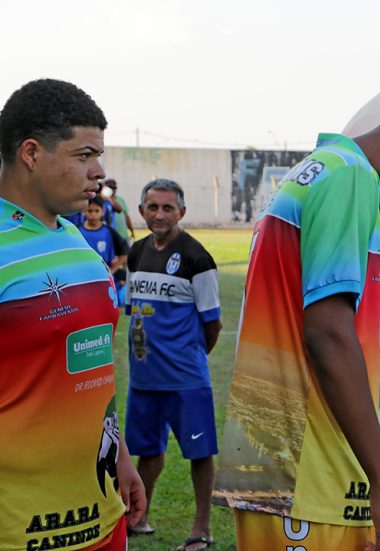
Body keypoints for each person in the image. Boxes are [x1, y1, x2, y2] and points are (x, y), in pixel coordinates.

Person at [214, 99, 380, 551]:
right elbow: (328, 334)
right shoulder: (351, 178)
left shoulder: (319, 169)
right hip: (313, 476)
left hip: (280, 463)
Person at [0, 78, 145, 550]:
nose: (98, 171)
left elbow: (93, 364)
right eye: (84, 155)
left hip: (101, 514)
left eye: (98, 156)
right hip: (22, 529)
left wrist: (119, 453)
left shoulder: (74, 238)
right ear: (31, 153)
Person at [124, 178, 222, 551]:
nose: (160, 214)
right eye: (153, 207)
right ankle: (139, 518)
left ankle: (201, 529)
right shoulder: (136, 253)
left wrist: (191, 358)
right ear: (142, 211)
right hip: (143, 379)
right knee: (147, 451)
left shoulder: (197, 258)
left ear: (182, 211)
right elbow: (135, 312)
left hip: (185, 379)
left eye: (168, 207)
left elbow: (212, 322)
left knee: (199, 453)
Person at [78, 195, 128, 299]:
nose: (93, 215)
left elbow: (124, 253)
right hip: (82, 277)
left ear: (103, 212)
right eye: (90, 211)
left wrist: (112, 270)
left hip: (104, 277)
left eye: (97, 211)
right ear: (84, 212)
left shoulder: (109, 232)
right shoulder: (77, 231)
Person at [101, 178, 135, 243]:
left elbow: (126, 216)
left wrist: (131, 230)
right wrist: (107, 196)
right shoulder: (102, 200)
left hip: (123, 235)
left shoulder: (120, 200)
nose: (113, 189)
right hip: (110, 235)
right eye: (110, 187)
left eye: (114, 187)